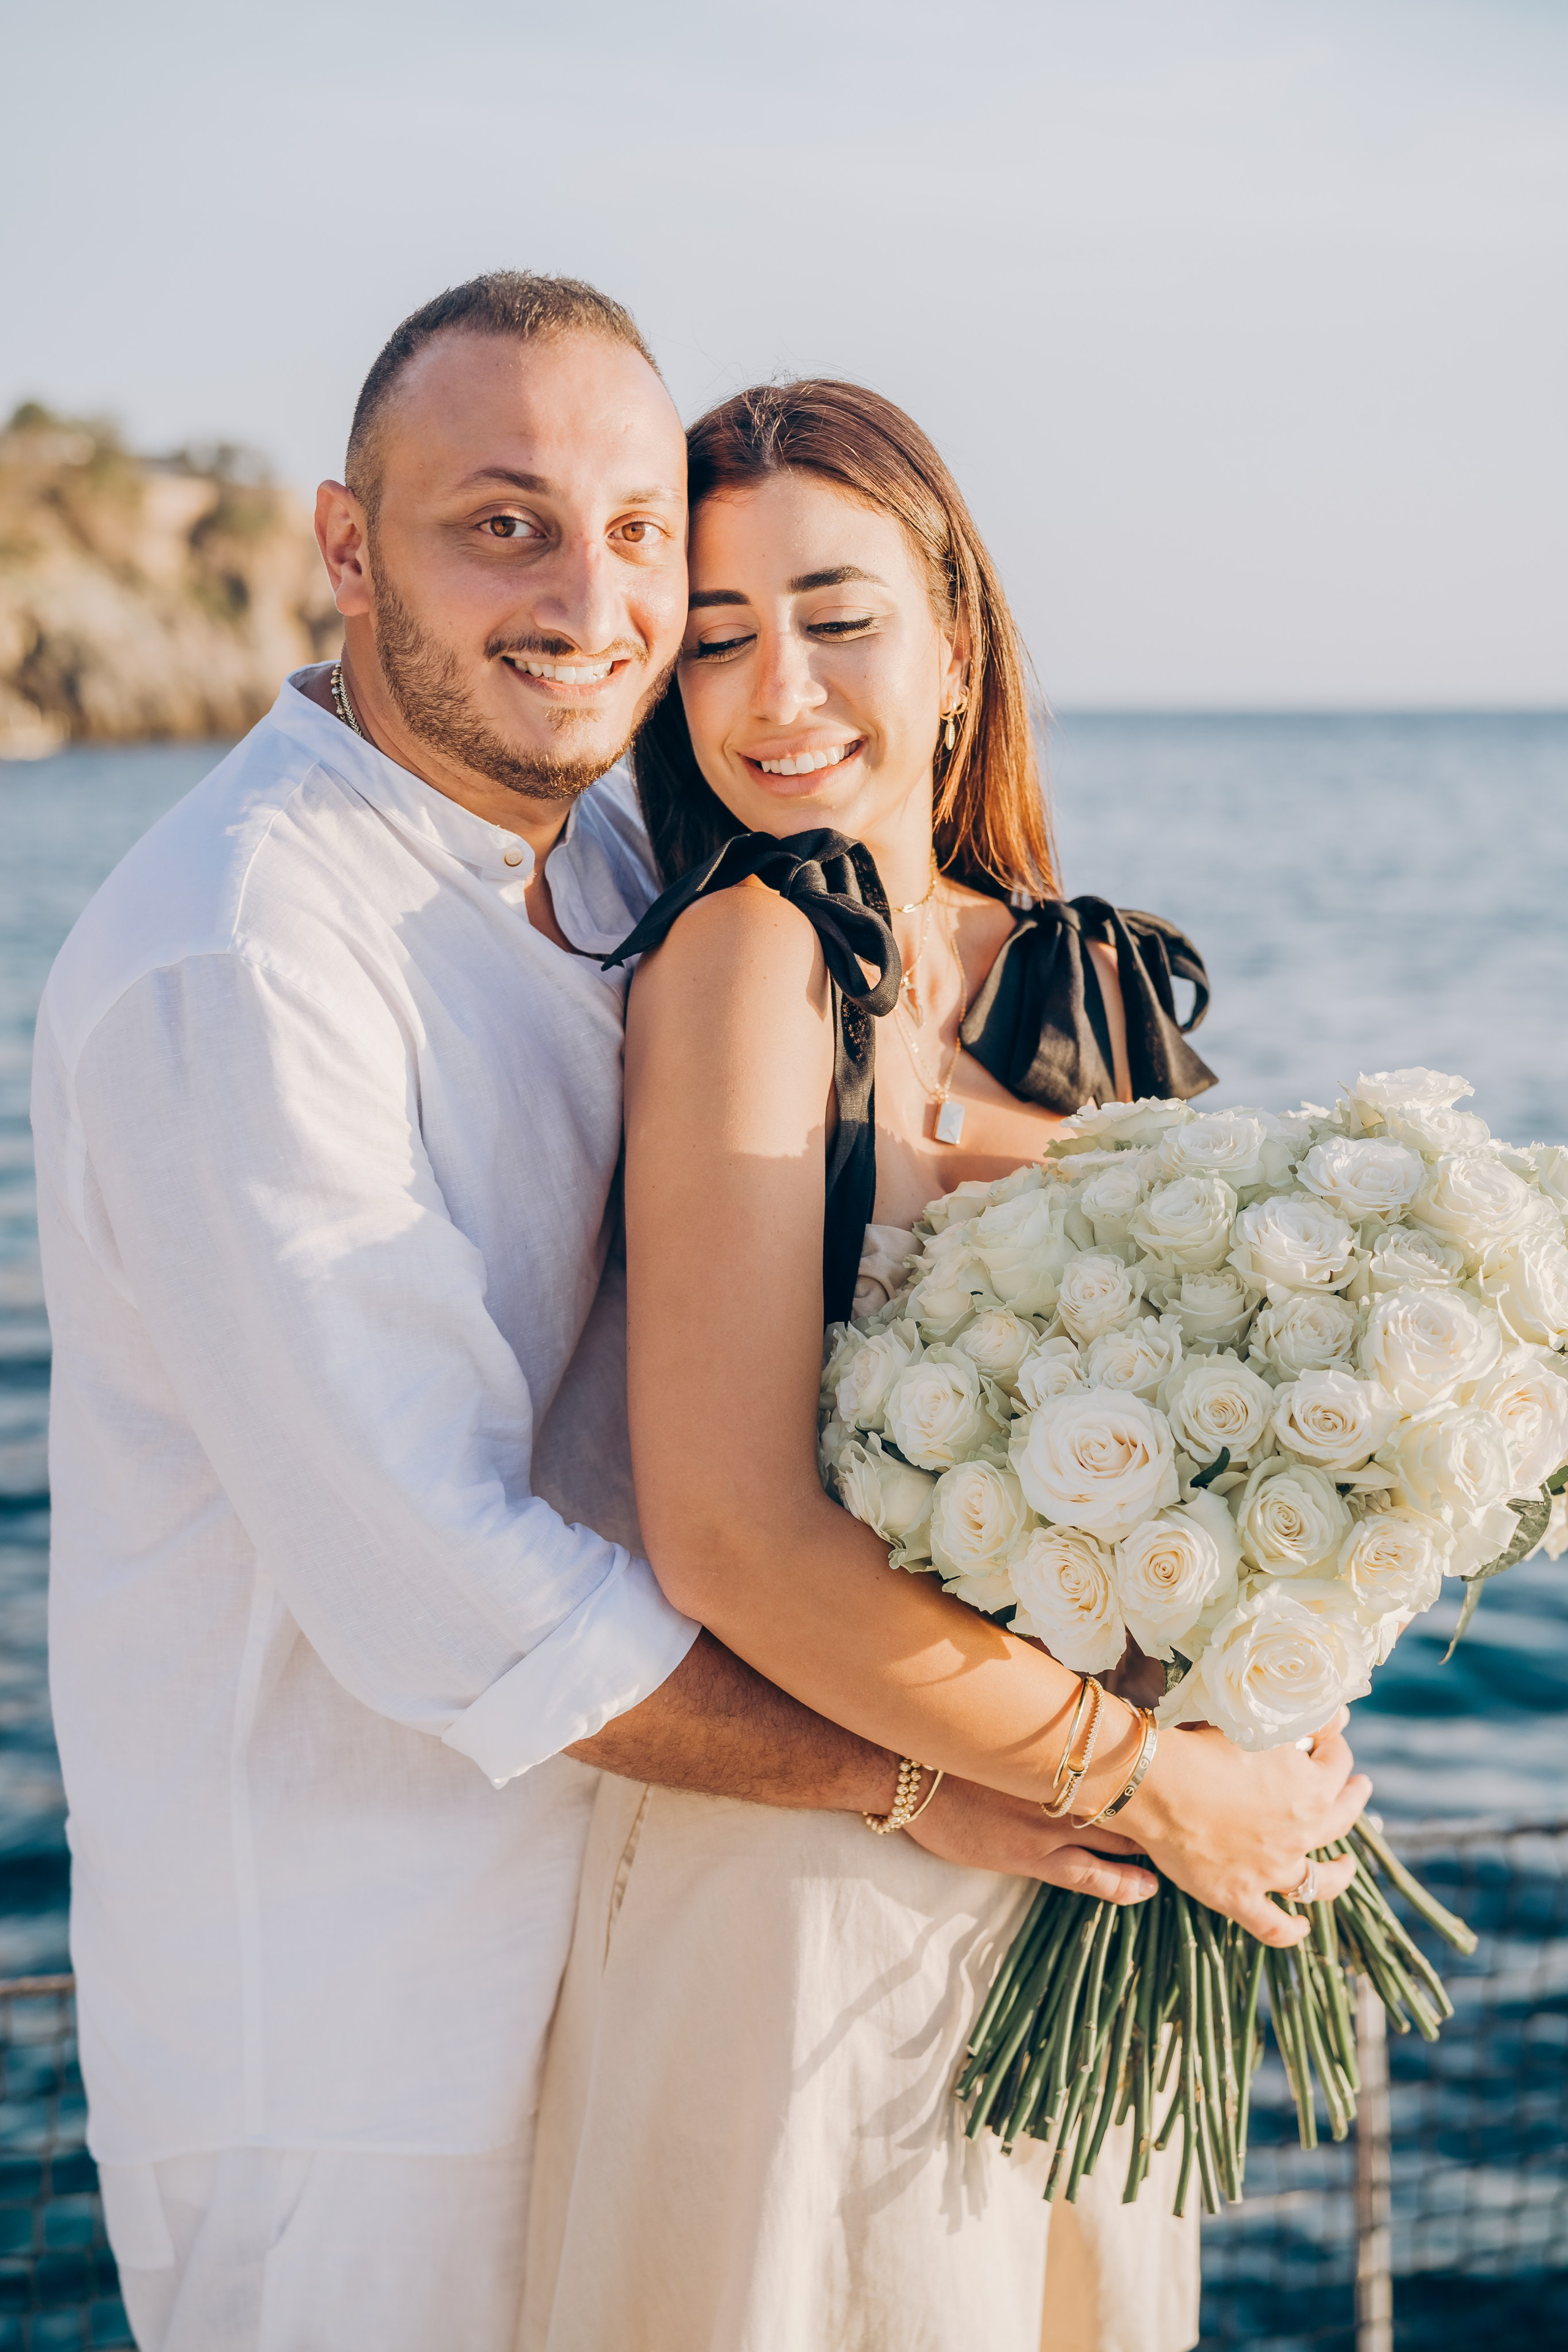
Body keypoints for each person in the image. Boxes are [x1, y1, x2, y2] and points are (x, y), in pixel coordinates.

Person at [31, 274, 1212, 2352]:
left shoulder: (590, 876)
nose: (595, 596)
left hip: (617, 1917)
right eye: (503, 522)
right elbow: (443, 1587)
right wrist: (1005, 1784)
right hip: (351, 2031)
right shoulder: (243, 958)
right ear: (343, 547)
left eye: (639, 527)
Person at [521, 380, 1370, 2352]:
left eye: (838, 615)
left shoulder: (1073, 970)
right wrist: (1153, 1778)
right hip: (823, 1907)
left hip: (1068, 1895)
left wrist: (1283, 1679)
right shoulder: (743, 958)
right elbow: (726, 1536)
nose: (776, 691)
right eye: (715, 638)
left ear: (958, 642)